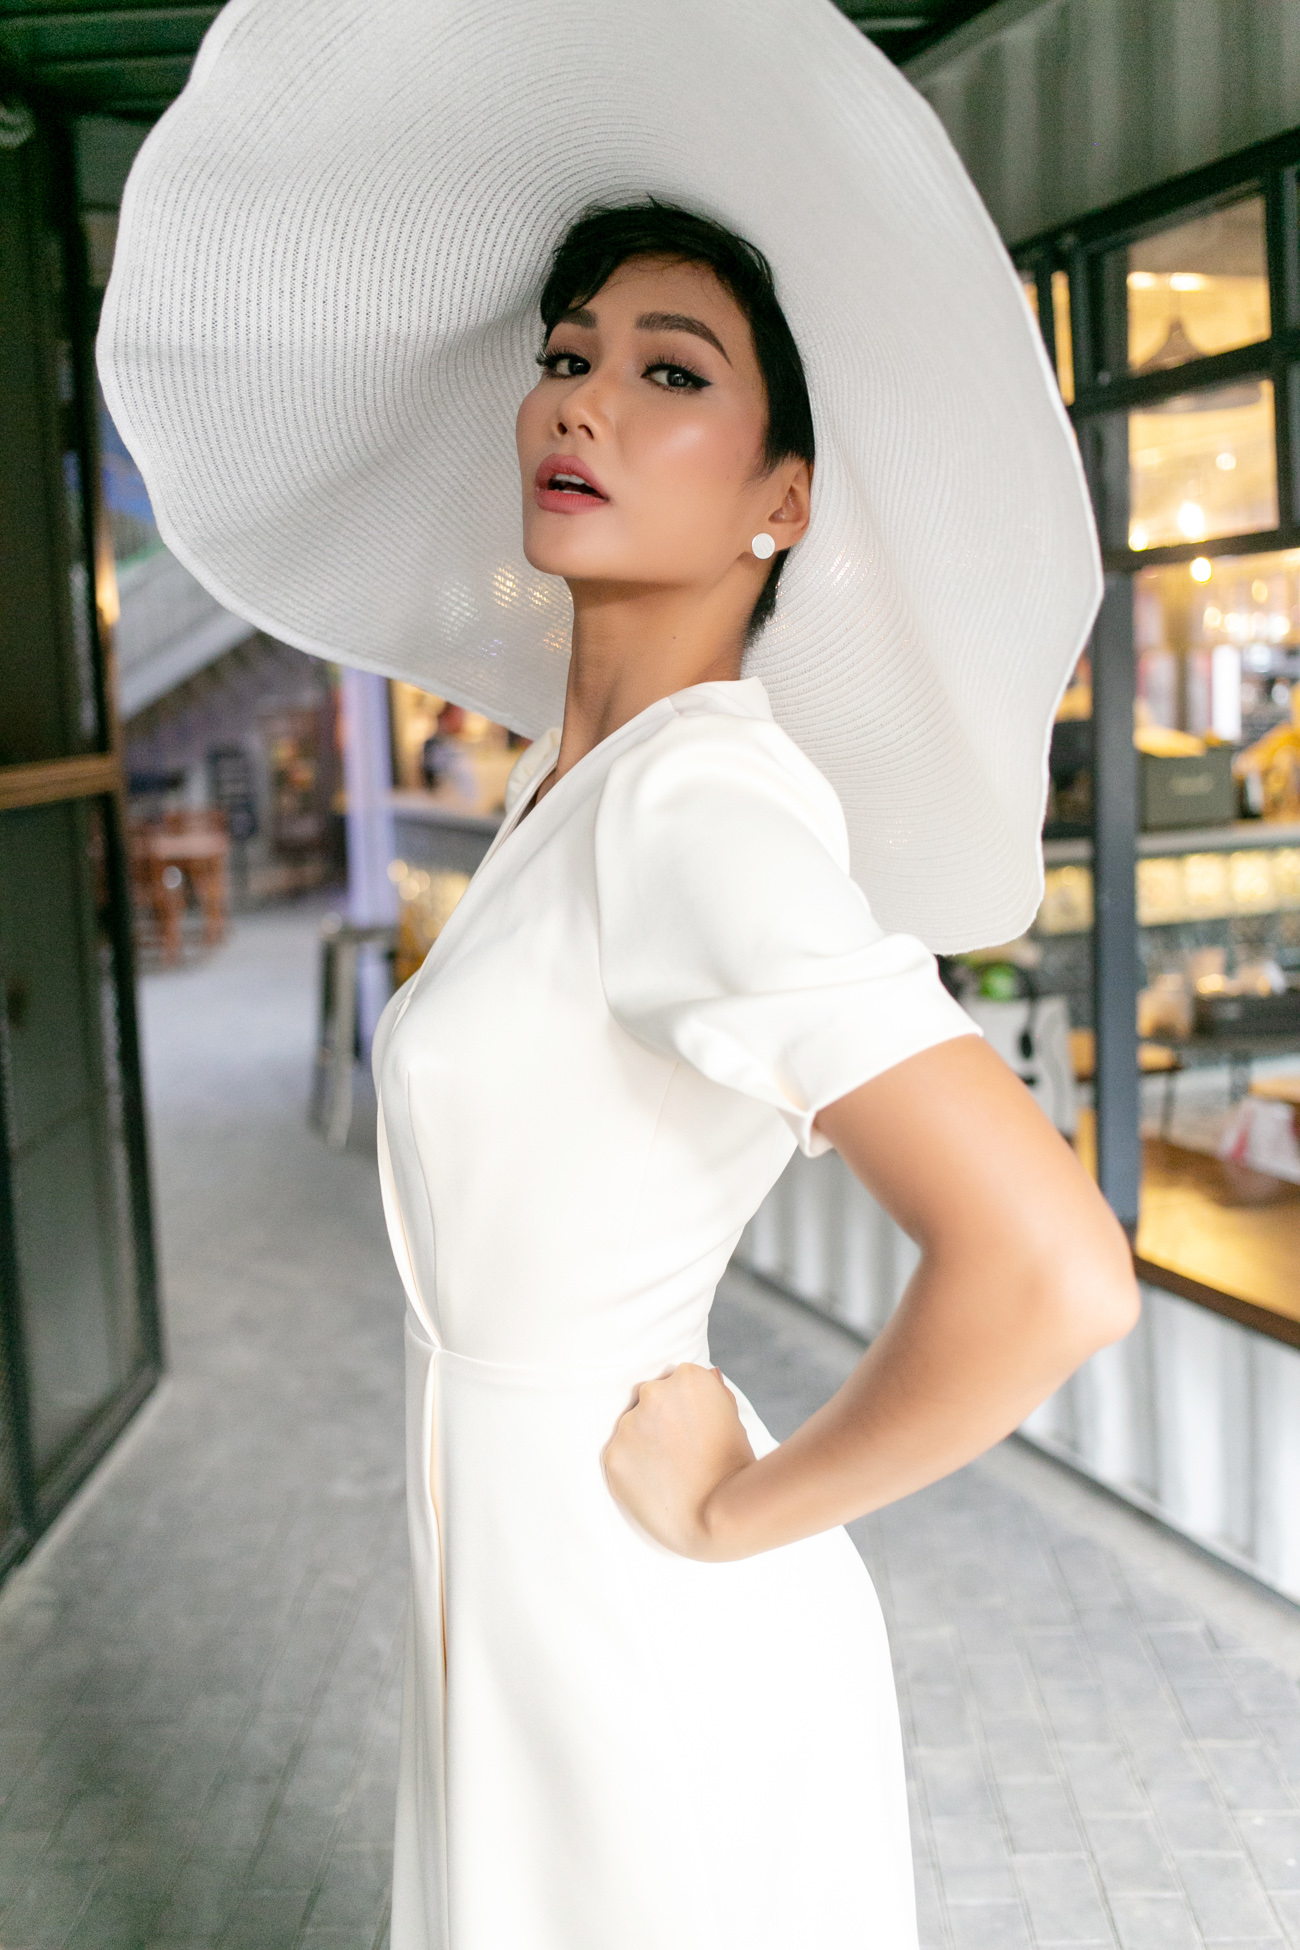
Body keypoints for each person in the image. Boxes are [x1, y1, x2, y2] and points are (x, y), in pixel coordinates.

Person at [97, 4, 1139, 1943]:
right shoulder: (571, 785)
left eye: (668, 371)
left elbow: (1052, 1269)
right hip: (519, 1578)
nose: (579, 401)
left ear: (781, 500)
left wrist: (745, 1504)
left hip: (639, 1631)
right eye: (566, 356)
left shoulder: (693, 811)